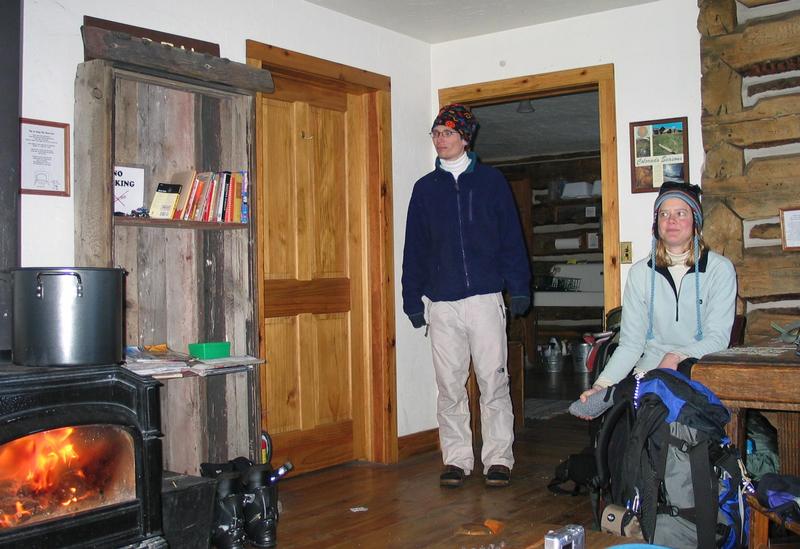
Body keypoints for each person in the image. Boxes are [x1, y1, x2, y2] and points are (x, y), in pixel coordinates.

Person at [402, 104, 531, 488]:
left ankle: (498, 459)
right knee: (449, 386)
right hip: (442, 303)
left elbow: (512, 239)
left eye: (447, 132)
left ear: (465, 137)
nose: (440, 139)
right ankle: (456, 460)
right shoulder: (425, 189)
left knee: (494, 381)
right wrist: (411, 298)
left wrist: (519, 287)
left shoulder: (492, 182)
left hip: (485, 300)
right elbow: (414, 249)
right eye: (436, 133)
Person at [578, 181, 736, 408]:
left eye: (680, 213)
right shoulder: (640, 273)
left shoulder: (719, 269)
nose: (671, 220)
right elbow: (631, 344)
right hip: (650, 374)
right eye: (664, 214)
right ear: (656, 224)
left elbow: (718, 338)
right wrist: (602, 384)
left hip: (701, 372)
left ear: (695, 223)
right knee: (628, 419)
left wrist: (675, 356)